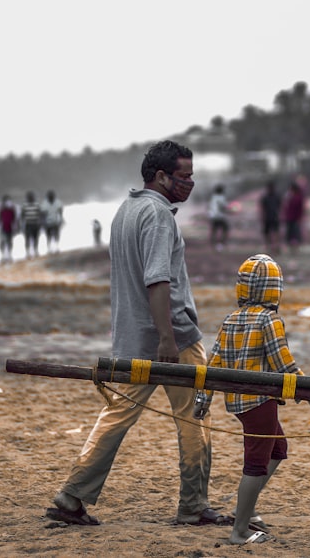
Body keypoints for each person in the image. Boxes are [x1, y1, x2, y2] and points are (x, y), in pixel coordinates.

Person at [46, 140, 225, 527]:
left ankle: (71, 496)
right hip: (173, 338)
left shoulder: (126, 211)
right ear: (160, 176)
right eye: (184, 176)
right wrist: (167, 339)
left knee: (117, 416)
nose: (189, 182)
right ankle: (193, 505)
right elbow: (157, 280)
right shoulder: (159, 216)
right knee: (195, 416)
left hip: (131, 339)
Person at [204, 253, 310, 544]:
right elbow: (285, 365)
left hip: (237, 402)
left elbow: (213, 363)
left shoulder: (230, 319)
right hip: (259, 402)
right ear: (275, 288)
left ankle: (245, 510)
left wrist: (202, 399)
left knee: (277, 450)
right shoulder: (270, 320)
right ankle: (240, 529)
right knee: (256, 461)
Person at [0, 195, 19, 263]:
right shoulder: (0, 208)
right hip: (2, 227)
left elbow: (15, 218)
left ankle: (9, 255)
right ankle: (3, 255)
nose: (7, 202)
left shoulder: (13, 207)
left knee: (9, 242)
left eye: (8, 200)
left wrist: (17, 227)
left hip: (10, 227)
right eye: (6, 200)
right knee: (2, 242)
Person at [282, 181, 306, 254]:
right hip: (289, 218)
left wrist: (300, 218)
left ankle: (295, 248)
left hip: (295, 218)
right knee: (290, 234)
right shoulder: (290, 197)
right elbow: (286, 207)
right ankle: (291, 248)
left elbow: (301, 209)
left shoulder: (298, 197)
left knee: (295, 234)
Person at [259, 181, 282, 251]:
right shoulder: (266, 197)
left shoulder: (277, 196)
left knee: (275, 232)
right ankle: (269, 246)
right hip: (268, 217)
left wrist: (280, 215)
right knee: (268, 233)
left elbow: (280, 207)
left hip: (274, 217)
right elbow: (262, 208)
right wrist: (262, 216)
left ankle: (276, 246)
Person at [207, 184, 230, 251]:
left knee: (214, 230)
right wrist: (231, 210)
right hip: (219, 216)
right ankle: (221, 244)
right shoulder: (221, 198)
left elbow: (209, 207)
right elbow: (223, 207)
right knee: (225, 229)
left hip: (212, 216)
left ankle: (212, 245)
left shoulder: (213, 197)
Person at [41, 190, 65, 254]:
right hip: (47, 222)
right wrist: (43, 223)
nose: (51, 197)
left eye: (52, 196)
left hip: (56, 221)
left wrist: (61, 220)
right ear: (47, 197)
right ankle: (49, 249)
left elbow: (60, 212)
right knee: (48, 236)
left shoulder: (58, 202)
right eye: (49, 196)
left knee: (56, 235)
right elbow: (43, 215)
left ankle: (56, 247)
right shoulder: (44, 203)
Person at [21, 191, 42, 259]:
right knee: (27, 239)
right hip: (28, 224)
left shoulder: (37, 205)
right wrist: (22, 225)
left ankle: (36, 251)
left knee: (35, 238)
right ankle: (27, 252)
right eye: (29, 197)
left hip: (35, 224)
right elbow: (22, 216)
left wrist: (40, 224)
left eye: (32, 197)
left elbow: (40, 215)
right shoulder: (24, 205)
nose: (31, 198)